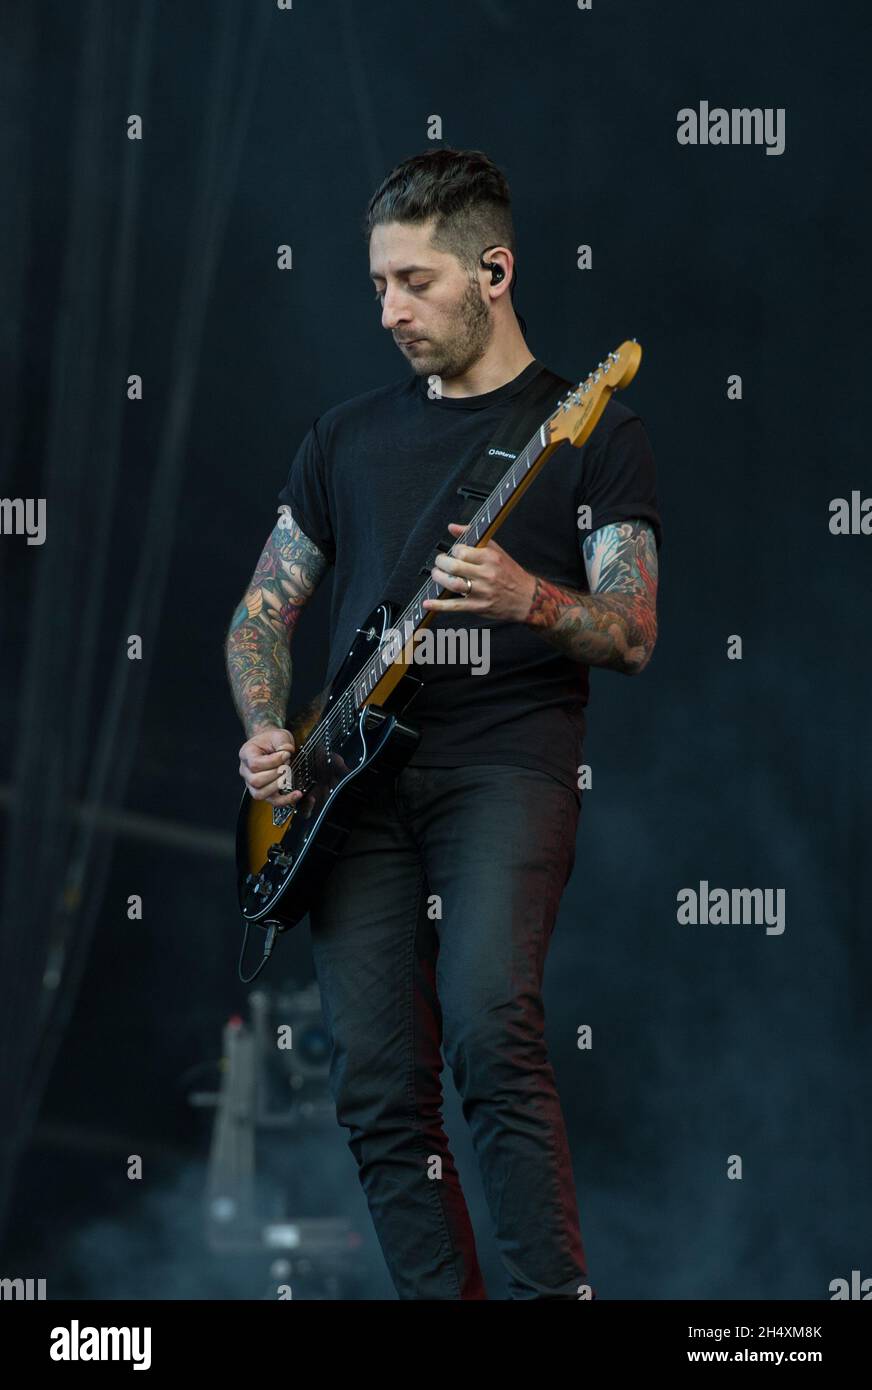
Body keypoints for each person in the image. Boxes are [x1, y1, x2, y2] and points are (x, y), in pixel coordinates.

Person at [225, 147, 661, 1300]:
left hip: (502, 768)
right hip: (346, 790)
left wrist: (530, 598)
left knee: (488, 1027)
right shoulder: (342, 437)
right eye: (376, 285)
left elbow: (631, 631)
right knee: (372, 1083)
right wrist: (269, 725)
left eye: (414, 282)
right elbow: (258, 617)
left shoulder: (586, 432)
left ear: (496, 271)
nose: (388, 310)